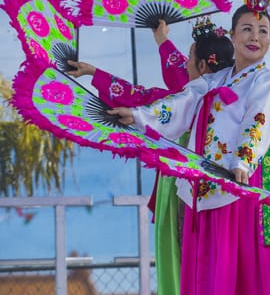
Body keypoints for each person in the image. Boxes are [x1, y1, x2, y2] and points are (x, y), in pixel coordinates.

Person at [110, 0, 270, 294]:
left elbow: (260, 118)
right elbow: (180, 102)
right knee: (207, 270)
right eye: (247, 29)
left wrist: (242, 161)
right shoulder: (214, 80)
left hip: (235, 184)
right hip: (202, 186)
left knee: (236, 269)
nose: (255, 37)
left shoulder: (267, 80)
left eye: (263, 31)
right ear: (232, 34)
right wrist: (138, 116)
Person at [67, 18, 235, 295]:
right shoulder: (234, 90)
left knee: (184, 257)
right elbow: (176, 72)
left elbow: (143, 98)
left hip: (186, 184)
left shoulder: (192, 93)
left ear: (203, 66)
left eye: (189, 59)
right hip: (229, 188)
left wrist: (98, 76)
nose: (185, 64)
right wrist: (161, 39)